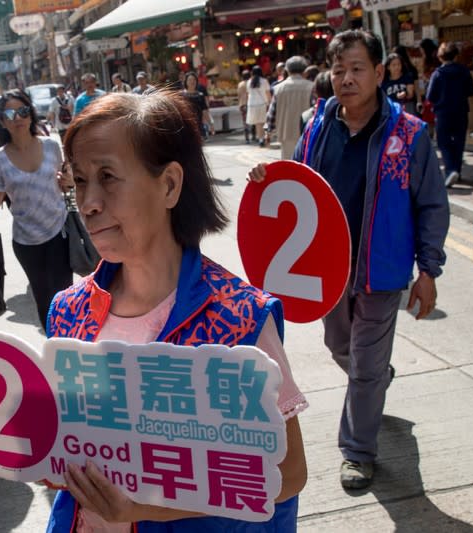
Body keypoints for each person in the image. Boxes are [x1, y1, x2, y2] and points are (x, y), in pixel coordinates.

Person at [45, 90, 309, 531]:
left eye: (107, 177)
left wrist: (141, 509)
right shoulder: (67, 313)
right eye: (79, 181)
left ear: (169, 184)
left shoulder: (239, 320)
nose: (89, 202)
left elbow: (287, 473)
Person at [249, 29, 449, 490]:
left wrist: (428, 271)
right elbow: (297, 181)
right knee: (342, 349)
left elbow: (433, 205)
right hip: (327, 272)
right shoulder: (317, 127)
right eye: (339, 70)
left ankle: (357, 452)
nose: (347, 78)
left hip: (381, 273)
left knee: (361, 365)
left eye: (358, 69)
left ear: (379, 73)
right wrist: (266, 178)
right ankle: (377, 380)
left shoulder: (409, 135)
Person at [0, 90, 75, 327]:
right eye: (10, 113)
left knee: (66, 300)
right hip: (26, 243)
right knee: (45, 303)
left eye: (23, 111)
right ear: (2, 121)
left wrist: (68, 182)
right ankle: (54, 354)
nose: (17, 118)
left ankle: (70, 351)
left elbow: (65, 186)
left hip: (59, 233)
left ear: (31, 114)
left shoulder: (51, 146)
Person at [426, 41, 473, 187]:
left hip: (443, 112)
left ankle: (450, 170)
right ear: (456, 56)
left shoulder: (438, 74)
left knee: (444, 142)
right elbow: (471, 91)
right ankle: (457, 170)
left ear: (441, 57)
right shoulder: (464, 71)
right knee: (459, 142)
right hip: (461, 111)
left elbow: (430, 95)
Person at [264, 55, 315, 159]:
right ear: (304, 70)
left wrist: (268, 132)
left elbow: (271, 113)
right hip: (307, 133)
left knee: (289, 166)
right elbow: (315, 110)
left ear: (287, 70)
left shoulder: (278, 88)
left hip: (285, 133)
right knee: (306, 165)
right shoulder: (311, 87)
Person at [181, 72, 213, 139]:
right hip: (186, 126)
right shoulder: (181, 95)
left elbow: (205, 111)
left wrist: (211, 124)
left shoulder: (200, 95)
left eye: (194, 80)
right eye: (189, 80)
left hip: (199, 125)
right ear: (186, 82)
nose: (192, 82)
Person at [246, 65, 271, 146]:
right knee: (264, 122)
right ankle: (265, 137)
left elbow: (248, 93)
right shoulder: (264, 81)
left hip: (252, 104)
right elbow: (268, 93)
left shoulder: (249, 82)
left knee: (257, 123)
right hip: (262, 104)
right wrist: (270, 102)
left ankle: (260, 139)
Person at [418, 38, 440, 131]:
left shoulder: (434, 60)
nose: (421, 52)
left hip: (433, 92)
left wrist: (425, 78)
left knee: (431, 115)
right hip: (431, 91)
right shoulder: (430, 59)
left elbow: (431, 76)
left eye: (422, 50)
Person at [237, 69, 253, 143]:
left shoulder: (240, 84)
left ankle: (247, 138)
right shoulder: (251, 83)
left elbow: (239, 95)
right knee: (253, 120)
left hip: (243, 104)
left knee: (245, 122)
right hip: (250, 103)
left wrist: (239, 104)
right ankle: (254, 135)